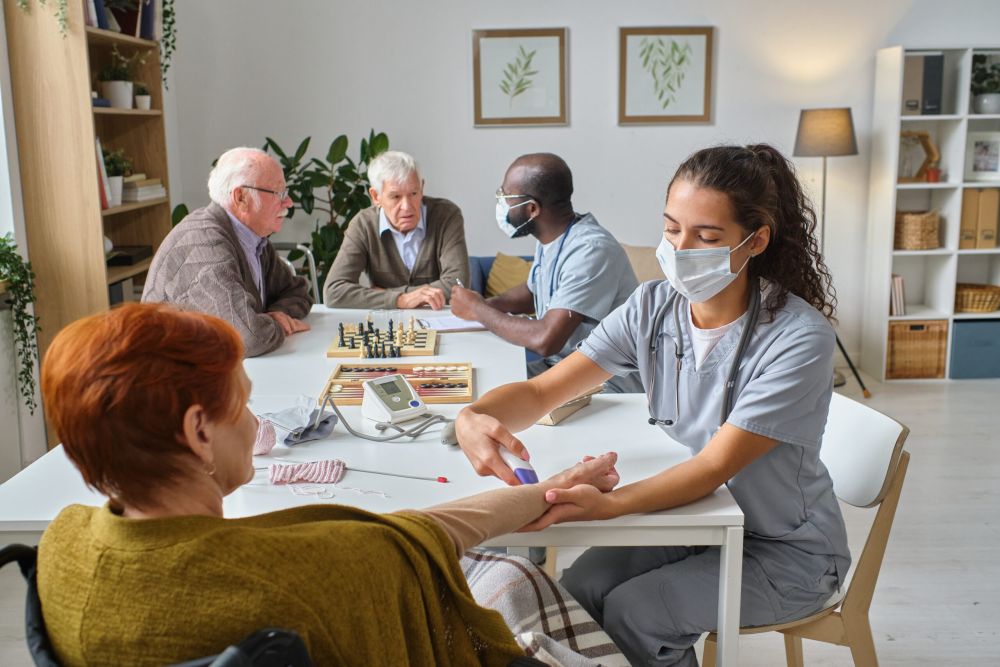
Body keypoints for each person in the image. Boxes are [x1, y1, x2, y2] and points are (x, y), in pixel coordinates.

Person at [36, 302, 621, 666]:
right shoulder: (308, 576)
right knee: (515, 578)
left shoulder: (60, 551)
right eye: (242, 403)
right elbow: (414, 538)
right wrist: (555, 486)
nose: (257, 423)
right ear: (198, 432)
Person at [454, 144, 851, 666]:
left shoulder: (799, 339)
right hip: (703, 521)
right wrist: (474, 417)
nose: (682, 249)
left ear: (754, 241)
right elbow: (541, 391)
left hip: (785, 551)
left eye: (706, 237)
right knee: (578, 590)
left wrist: (610, 505)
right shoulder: (653, 306)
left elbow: (712, 466)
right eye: (671, 229)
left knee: (636, 613)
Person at [450, 153, 641, 393]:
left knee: (490, 399)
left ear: (531, 209)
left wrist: (478, 310)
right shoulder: (551, 238)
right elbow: (532, 292)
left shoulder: (591, 251)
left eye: (505, 196)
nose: (501, 203)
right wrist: (485, 303)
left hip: (605, 384)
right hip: (562, 369)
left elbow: (546, 340)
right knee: (480, 383)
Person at [142, 147, 311, 357]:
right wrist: (273, 322)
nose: (289, 202)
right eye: (278, 193)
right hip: (168, 379)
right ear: (241, 197)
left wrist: (275, 315)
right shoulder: (205, 244)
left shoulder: (253, 238)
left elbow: (297, 292)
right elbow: (248, 338)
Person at [323, 150, 469, 309]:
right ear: (375, 196)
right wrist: (401, 300)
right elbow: (333, 292)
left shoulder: (446, 216)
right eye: (395, 197)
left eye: (413, 193)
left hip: (439, 320)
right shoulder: (363, 224)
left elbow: (458, 284)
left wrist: (386, 293)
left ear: (422, 187)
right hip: (388, 325)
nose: (407, 207)